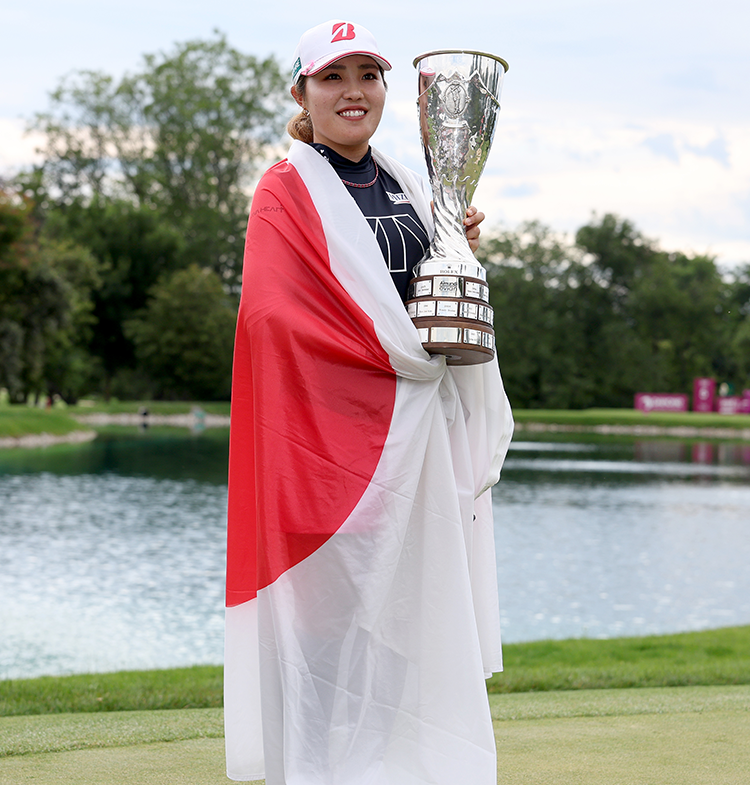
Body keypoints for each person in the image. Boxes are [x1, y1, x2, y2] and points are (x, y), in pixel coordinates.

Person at [224, 19, 514, 785]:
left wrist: (454, 250)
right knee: (330, 625)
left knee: (404, 622)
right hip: (329, 445)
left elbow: (415, 300)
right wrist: (381, 355)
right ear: (302, 92)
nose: (353, 92)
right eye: (333, 77)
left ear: (386, 90)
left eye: (367, 75)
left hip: (414, 437)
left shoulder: (409, 183)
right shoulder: (283, 191)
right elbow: (270, 317)